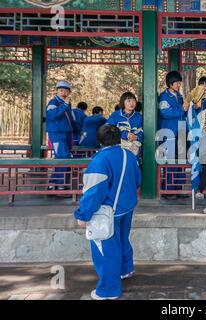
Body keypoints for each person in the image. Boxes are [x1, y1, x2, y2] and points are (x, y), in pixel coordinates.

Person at [74, 124, 141, 300]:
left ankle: (108, 290)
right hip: (127, 207)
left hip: (108, 212)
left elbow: (94, 191)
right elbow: (138, 180)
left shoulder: (100, 160)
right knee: (123, 239)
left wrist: (83, 214)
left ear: (100, 140)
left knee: (107, 250)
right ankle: (126, 269)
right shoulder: (129, 155)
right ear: (119, 138)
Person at [158, 71, 187, 199]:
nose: (179, 85)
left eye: (180, 82)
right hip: (168, 132)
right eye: (177, 82)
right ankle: (168, 190)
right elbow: (165, 112)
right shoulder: (164, 96)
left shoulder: (179, 96)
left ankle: (179, 188)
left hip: (180, 132)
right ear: (170, 83)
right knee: (170, 161)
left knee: (180, 160)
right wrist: (182, 109)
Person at [46, 80, 78, 190]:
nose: (63, 92)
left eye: (65, 90)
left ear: (69, 92)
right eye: (60, 90)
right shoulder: (53, 103)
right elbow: (53, 116)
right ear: (57, 91)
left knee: (66, 158)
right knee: (62, 158)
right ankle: (59, 184)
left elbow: (71, 120)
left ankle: (55, 183)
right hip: (57, 134)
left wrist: (78, 131)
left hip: (67, 134)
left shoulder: (66, 104)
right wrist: (64, 105)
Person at [107, 92, 143, 160]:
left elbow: (142, 131)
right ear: (123, 102)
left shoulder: (138, 116)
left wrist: (136, 137)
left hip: (134, 147)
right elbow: (108, 129)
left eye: (133, 101)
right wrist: (125, 135)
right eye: (129, 101)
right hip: (118, 145)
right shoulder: (115, 115)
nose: (132, 103)